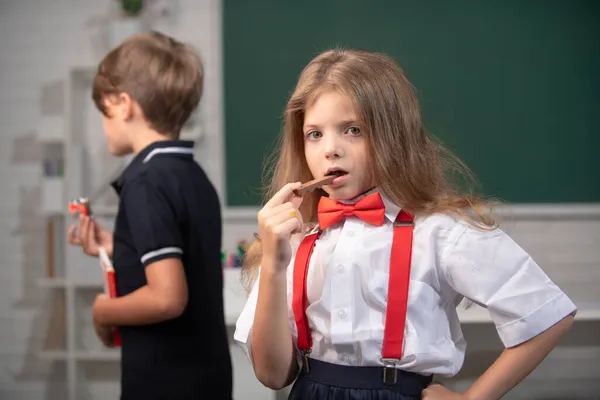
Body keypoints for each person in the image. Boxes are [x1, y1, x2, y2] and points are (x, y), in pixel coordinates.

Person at [233, 48, 576, 400]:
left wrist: (473, 399)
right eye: (314, 134)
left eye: (352, 129)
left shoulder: (439, 232)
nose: (330, 149)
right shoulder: (294, 239)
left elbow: (547, 313)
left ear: (392, 135)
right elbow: (272, 376)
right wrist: (274, 267)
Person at [68, 31, 232, 400]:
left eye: (103, 111)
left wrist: (103, 311)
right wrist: (117, 246)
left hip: (165, 383)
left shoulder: (144, 182)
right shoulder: (191, 174)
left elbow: (168, 297)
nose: (103, 123)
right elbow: (180, 254)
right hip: (207, 377)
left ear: (124, 104)